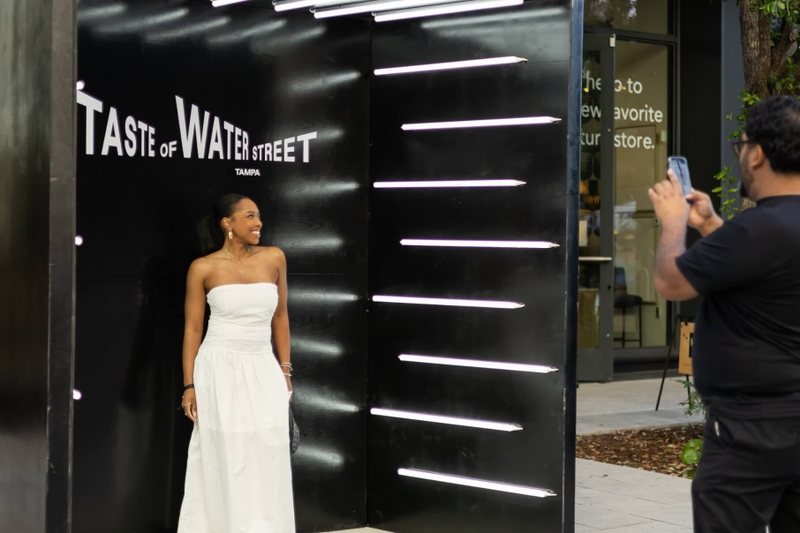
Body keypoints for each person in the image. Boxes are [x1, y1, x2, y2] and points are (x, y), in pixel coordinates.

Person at [648, 95, 800, 532]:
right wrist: (711, 225)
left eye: (742, 145)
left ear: (758, 154)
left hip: (752, 430)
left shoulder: (759, 228)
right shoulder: (765, 231)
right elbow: (764, 267)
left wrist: (673, 222)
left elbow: (671, 283)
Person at [177, 193, 296, 533]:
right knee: (224, 453)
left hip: (262, 366)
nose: (259, 223)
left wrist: (285, 369)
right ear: (227, 223)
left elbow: (281, 317)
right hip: (217, 368)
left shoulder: (274, 257)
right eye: (250, 216)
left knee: (267, 451)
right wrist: (189, 385)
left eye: (258, 216)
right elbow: (193, 329)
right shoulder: (203, 267)